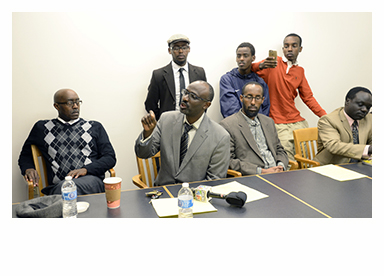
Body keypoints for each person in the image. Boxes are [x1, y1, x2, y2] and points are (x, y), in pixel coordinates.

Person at [18, 88, 117, 195]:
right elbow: (25, 155)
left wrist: (86, 170)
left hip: (91, 181)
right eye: (70, 103)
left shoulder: (94, 127)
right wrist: (28, 169)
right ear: (57, 106)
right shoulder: (43, 128)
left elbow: (109, 157)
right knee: (65, 188)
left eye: (77, 102)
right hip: (59, 185)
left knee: (67, 189)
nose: (75, 106)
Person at [135, 80, 230, 186]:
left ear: (206, 105)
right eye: (185, 92)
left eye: (193, 96)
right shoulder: (166, 119)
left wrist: (187, 196)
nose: (184, 98)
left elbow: (214, 180)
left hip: (195, 198)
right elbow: (143, 154)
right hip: (163, 193)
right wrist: (148, 133)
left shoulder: (220, 136)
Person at [251, 33, 327, 161]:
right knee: (289, 162)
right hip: (278, 123)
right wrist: (262, 65)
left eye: (294, 46)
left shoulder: (300, 71)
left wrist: (325, 117)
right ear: (283, 49)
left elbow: (308, 97)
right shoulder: (272, 63)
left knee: (308, 158)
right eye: (286, 46)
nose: (289, 49)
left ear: (300, 49)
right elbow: (251, 68)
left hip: (298, 122)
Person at [220, 82, 288, 175]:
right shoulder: (228, 125)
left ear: (262, 100)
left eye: (257, 98)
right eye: (249, 97)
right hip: (254, 176)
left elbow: (280, 150)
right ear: (241, 98)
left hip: (277, 174)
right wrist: (262, 171)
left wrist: (280, 166)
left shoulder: (268, 122)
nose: (253, 102)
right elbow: (228, 160)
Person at [144, 34, 207, 120]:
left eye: (184, 47)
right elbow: (150, 104)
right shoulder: (158, 75)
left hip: (193, 121)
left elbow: (205, 100)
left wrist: (197, 117)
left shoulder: (199, 73)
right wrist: (162, 121)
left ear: (189, 49)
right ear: (170, 51)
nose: (181, 51)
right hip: (168, 124)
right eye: (176, 48)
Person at [314, 87, 372, 165]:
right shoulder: (328, 120)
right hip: (331, 167)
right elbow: (334, 146)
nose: (364, 110)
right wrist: (367, 149)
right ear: (347, 101)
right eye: (360, 105)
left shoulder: (369, 118)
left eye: (368, 107)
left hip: (360, 166)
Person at [220, 42, 270, 118]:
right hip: (236, 126)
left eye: (245, 56)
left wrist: (258, 126)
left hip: (257, 125)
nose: (241, 59)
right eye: (239, 56)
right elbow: (230, 110)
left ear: (253, 58)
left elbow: (265, 110)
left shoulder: (260, 82)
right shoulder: (227, 80)